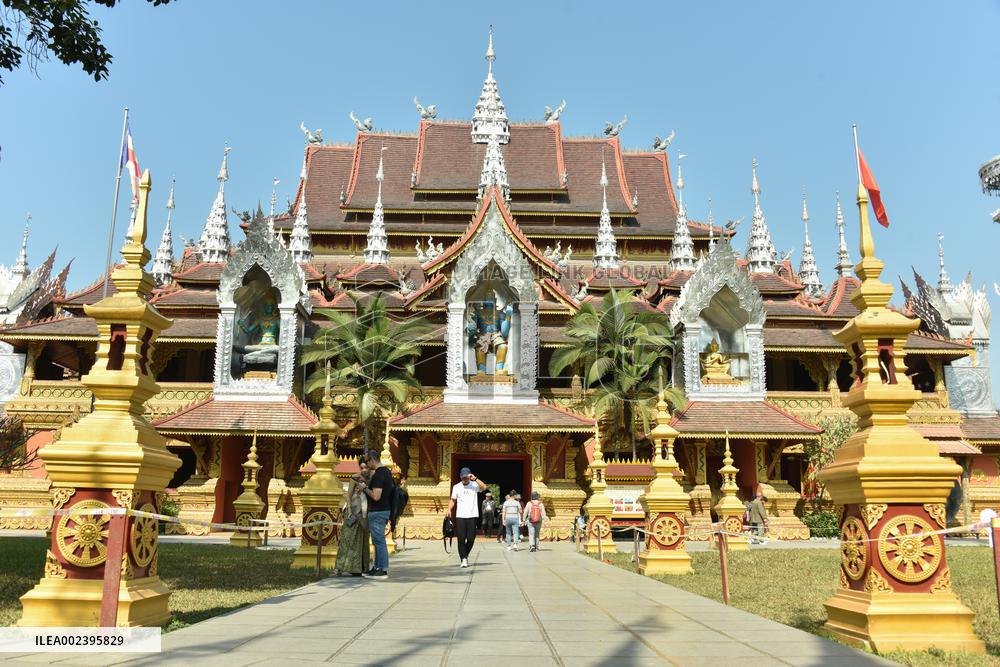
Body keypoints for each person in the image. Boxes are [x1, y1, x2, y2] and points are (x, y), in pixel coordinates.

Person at [357, 449, 393, 578]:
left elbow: (376, 496)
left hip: (378, 510)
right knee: (377, 540)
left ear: (372, 460)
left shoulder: (379, 475)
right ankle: (377, 566)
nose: (366, 464)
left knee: (379, 541)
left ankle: (382, 568)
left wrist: (364, 488)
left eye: (367, 462)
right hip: (383, 510)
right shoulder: (386, 472)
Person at [333, 460, 371, 576]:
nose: (364, 470)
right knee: (347, 538)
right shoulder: (355, 478)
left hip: (364, 512)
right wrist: (349, 510)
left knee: (361, 540)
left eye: (366, 467)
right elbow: (348, 495)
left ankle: (358, 568)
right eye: (362, 467)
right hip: (353, 510)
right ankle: (339, 567)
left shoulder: (372, 478)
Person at [448, 467, 487, 568]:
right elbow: (453, 500)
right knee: (461, 538)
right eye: (463, 477)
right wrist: (449, 510)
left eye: (466, 477)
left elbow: (484, 487)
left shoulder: (474, 485)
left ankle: (464, 554)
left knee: (470, 539)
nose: (464, 479)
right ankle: (463, 558)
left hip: (472, 515)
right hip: (460, 515)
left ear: (470, 476)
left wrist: (475, 479)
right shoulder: (456, 487)